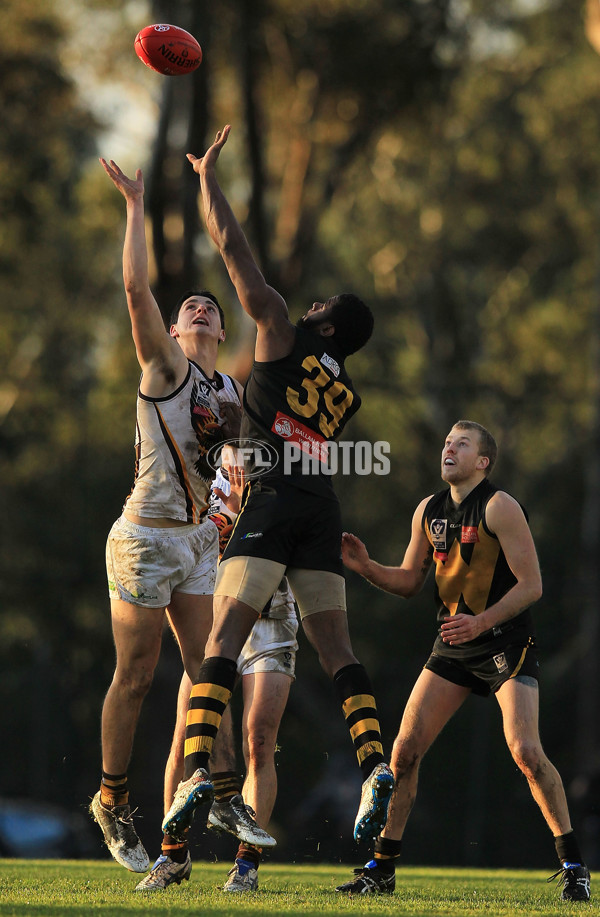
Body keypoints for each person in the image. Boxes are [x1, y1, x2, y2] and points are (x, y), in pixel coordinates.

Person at [161, 124, 393, 848]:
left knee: (221, 640)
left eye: (318, 301)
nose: (307, 302)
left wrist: (208, 180)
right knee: (339, 651)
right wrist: (243, 420)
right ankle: (376, 763)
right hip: (320, 505)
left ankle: (198, 768)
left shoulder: (283, 330)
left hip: (270, 499)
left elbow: (234, 253)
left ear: (321, 318)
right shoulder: (342, 383)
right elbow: (282, 424)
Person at [90, 157, 272, 873]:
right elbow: (135, 285)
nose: (202, 307)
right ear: (171, 327)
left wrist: (243, 435)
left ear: (222, 331)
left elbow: (251, 458)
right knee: (135, 678)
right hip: (142, 540)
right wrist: (136, 205)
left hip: (197, 540)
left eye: (211, 307)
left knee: (210, 672)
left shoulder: (232, 385)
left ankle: (226, 793)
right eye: (190, 305)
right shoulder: (165, 368)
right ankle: (111, 799)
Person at [335, 420, 591, 902]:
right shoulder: (428, 510)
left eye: (462, 444)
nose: (449, 448)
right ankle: (381, 870)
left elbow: (532, 586)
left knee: (526, 753)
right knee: (404, 752)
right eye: (447, 442)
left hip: (504, 642)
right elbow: (411, 581)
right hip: (454, 643)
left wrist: (481, 622)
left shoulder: (500, 506)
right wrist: (367, 568)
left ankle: (574, 865)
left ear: (483, 462)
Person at [135, 457, 299, 893]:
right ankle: (173, 855)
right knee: (186, 736)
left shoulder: (283, 471)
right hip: (215, 622)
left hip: (271, 615)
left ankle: (246, 866)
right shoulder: (194, 479)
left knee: (259, 738)